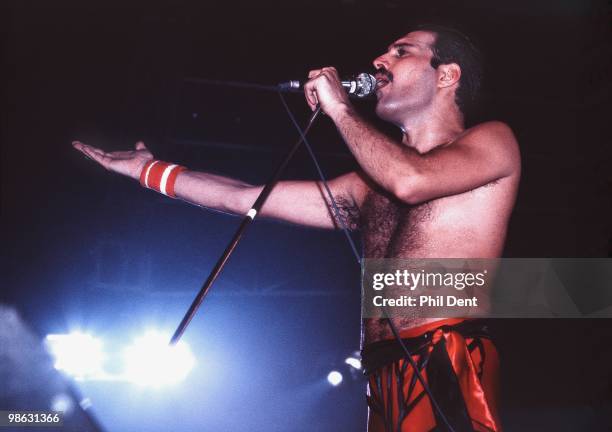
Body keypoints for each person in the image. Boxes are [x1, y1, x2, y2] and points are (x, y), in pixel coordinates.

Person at [73, 24, 520, 432]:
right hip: (379, 373)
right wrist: (151, 172)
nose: (380, 60)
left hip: (447, 355)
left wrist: (340, 109)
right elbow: (246, 197)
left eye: (401, 52)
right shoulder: (365, 189)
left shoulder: (491, 141)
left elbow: (412, 182)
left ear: (447, 75)